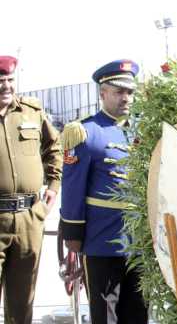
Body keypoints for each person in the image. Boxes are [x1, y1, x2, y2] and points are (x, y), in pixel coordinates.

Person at [60, 59, 148, 323]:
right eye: (119, 91)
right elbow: (72, 188)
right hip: (102, 241)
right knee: (105, 317)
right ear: (103, 93)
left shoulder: (142, 129)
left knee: (137, 315)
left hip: (139, 243)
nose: (126, 98)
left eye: (130, 92)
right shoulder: (86, 132)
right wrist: (73, 236)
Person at [0, 55, 62, 323]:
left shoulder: (32, 111)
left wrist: (54, 185)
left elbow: (54, 148)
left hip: (29, 219)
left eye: (10, 80)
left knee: (23, 301)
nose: (5, 86)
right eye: (0, 80)